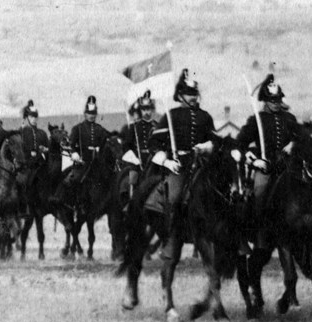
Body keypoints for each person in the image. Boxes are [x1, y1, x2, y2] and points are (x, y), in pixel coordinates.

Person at [145, 68, 217, 261]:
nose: (192, 97)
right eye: (188, 93)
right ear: (180, 95)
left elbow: (214, 140)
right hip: (179, 165)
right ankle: (169, 241)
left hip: (203, 163)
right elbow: (153, 143)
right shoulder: (171, 116)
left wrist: (207, 146)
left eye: (194, 93)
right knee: (175, 197)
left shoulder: (205, 117)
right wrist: (167, 161)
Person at [231, 74, 302, 254]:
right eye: (272, 100)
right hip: (266, 167)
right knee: (260, 193)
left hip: (287, 166)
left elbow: (302, 138)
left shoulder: (290, 119)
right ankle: (259, 234)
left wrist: (293, 144)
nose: (276, 103)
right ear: (265, 100)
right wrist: (255, 161)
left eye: (278, 99)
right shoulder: (257, 120)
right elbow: (239, 145)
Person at [120, 91, 159, 197]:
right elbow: (126, 146)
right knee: (133, 178)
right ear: (140, 110)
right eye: (144, 109)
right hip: (138, 161)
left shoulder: (157, 126)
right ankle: (130, 202)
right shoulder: (134, 127)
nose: (147, 112)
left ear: (152, 109)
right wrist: (134, 159)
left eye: (149, 109)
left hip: (154, 160)